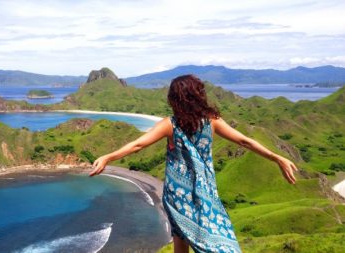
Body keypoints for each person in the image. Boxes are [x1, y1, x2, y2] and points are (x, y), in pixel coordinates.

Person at [89, 74, 298, 253]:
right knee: (215, 232)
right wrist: (276, 157)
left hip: (176, 193)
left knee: (181, 238)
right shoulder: (212, 121)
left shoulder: (169, 124)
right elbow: (245, 140)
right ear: (198, 96)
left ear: (176, 99)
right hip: (205, 191)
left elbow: (137, 145)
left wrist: (108, 157)